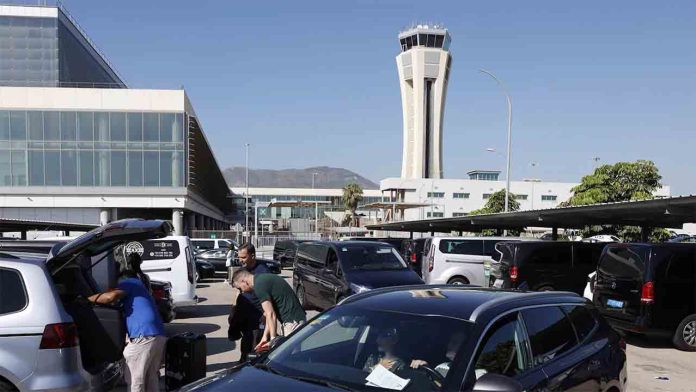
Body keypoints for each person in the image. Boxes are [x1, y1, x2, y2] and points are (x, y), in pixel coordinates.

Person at [88, 259, 167, 392]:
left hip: (143, 337)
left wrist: (86, 299)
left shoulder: (128, 282)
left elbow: (109, 297)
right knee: (151, 378)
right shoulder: (140, 287)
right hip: (157, 335)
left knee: (135, 379)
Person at [232, 268, 306, 352]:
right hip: (293, 320)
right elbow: (268, 315)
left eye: (240, 288)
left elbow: (271, 314)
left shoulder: (259, 286)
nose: (242, 292)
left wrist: (273, 339)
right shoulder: (261, 280)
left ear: (243, 281)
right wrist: (264, 337)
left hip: (292, 322)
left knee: (289, 356)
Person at [230, 243, 271, 361]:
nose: (240, 260)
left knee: (255, 345)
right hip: (244, 315)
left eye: (243, 257)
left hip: (257, 316)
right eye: (239, 257)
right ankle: (243, 361)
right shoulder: (242, 270)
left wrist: (265, 314)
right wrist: (234, 308)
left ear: (252, 256)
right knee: (245, 343)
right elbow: (238, 292)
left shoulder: (263, 271)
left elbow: (269, 296)